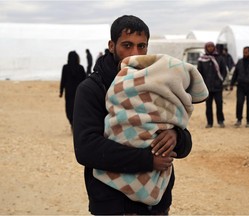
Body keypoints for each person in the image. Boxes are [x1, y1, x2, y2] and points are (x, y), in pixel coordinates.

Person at [73, 15, 193, 215]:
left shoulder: (157, 84)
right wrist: (147, 160)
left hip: (157, 203)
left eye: (141, 46)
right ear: (112, 46)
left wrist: (176, 136)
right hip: (114, 204)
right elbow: (86, 148)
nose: (134, 53)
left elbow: (185, 143)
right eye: (127, 45)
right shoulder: (93, 88)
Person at [197, 41, 227, 128]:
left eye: (211, 46)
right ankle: (209, 123)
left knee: (219, 105)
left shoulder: (220, 58)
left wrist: (220, 81)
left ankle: (220, 121)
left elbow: (224, 71)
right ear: (206, 48)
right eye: (208, 47)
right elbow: (199, 73)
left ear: (214, 47)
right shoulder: (202, 59)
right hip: (207, 88)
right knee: (208, 106)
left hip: (218, 87)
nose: (210, 48)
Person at [59, 51, 86, 129]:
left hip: (69, 91)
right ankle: (75, 123)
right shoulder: (80, 68)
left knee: (69, 108)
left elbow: (63, 80)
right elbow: (85, 81)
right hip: (79, 92)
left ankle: (72, 122)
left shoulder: (65, 67)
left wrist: (61, 91)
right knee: (78, 108)